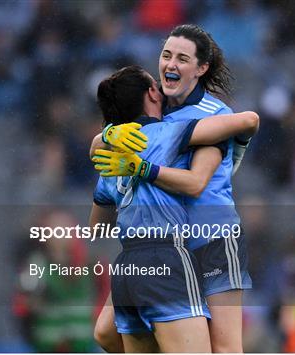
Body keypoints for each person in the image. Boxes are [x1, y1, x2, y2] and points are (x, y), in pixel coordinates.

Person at [91, 24, 253, 353]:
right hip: (165, 247)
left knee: (224, 349)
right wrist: (108, 135)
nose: (170, 64)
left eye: (182, 58)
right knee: (107, 334)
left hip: (211, 239)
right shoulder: (154, 108)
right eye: (166, 56)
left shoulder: (214, 115)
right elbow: (101, 146)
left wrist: (136, 164)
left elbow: (248, 123)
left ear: (201, 68)